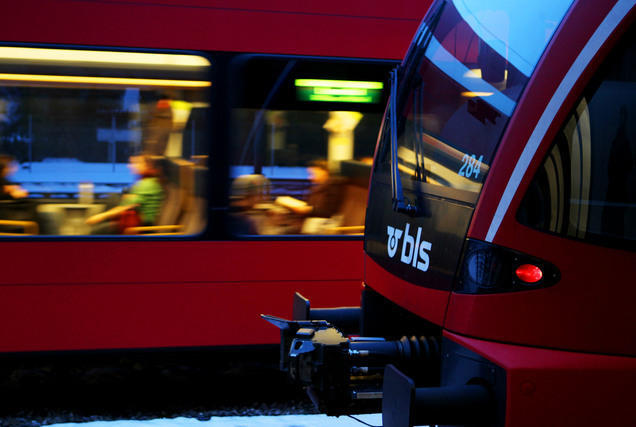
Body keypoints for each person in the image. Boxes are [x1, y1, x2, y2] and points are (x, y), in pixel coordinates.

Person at [86, 154, 164, 233]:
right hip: (137, 222)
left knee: (95, 232)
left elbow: (125, 207)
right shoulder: (148, 181)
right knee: (112, 196)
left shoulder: (147, 184)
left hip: (141, 227)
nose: (129, 166)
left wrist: (101, 216)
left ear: (147, 167)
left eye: (137, 163)